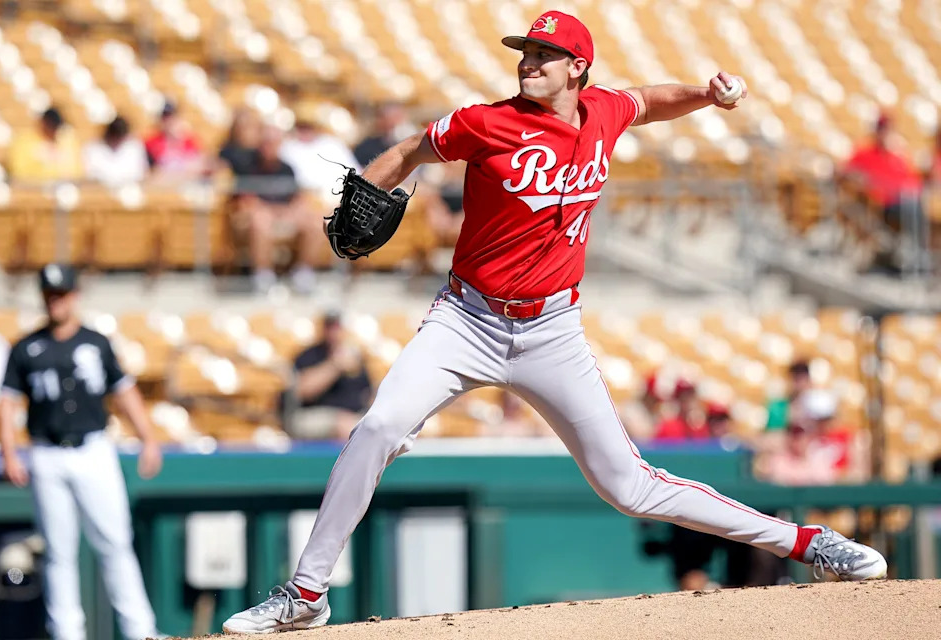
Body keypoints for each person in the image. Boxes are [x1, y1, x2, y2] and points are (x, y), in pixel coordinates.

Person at [223, 11, 887, 634]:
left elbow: (649, 101)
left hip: (551, 330)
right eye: (526, 53)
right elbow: (411, 150)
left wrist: (706, 96)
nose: (529, 63)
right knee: (379, 426)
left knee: (628, 485)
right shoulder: (484, 123)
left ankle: (813, 544)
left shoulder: (604, 110)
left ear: (578, 68)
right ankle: (305, 594)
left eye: (546, 54)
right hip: (466, 319)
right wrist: (362, 198)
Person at [0, 264, 163, 640]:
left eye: (61, 293)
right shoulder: (26, 347)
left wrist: (148, 437)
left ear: (74, 295)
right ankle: (66, 634)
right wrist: (9, 452)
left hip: (93, 449)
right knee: (58, 551)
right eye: (50, 294)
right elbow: (6, 404)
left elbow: (123, 390)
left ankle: (141, 631)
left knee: (116, 543)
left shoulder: (95, 341)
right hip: (47, 452)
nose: (55, 301)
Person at [231, 125, 323, 294]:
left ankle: (303, 273)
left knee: (316, 222)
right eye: (266, 142)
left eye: (273, 142)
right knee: (261, 219)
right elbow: (247, 201)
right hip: (258, 217)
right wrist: (274, 212)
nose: (269, 147)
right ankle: (263, 275)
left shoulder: (287, 169)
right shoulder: (248, 166)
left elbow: (298, 199)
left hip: (283, 214)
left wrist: (290, 213)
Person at [843, 113, 925, 273]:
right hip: (876, 206)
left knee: (917, 206)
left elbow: (912, 181)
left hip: (899, 203)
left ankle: (916, 256)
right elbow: (847, 174)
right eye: (882, 129)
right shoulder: (863, 153)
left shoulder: (897, 156)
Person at [282, 312, 372, 440]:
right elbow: (302, 391)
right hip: (312, 415)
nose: (333, 332)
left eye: (337, 327)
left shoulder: (357, 358)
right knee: (347, 427)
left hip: (353, 415)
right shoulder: (309, 355)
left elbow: (367, 393)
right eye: (329, 327)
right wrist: (335, 365)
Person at [8, 107, 82, 183]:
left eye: (55, 127)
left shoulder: (65, 142)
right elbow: (19, 171)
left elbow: (76, 171)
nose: (53, 130)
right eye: (50, 126)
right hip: (32, 188)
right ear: (44, 123)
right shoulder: (24, 142)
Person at [144, 100, 205, 182]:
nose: (169, 120)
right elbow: (150, 171)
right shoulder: (151, 143)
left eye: (171, 116)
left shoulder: (190, 141)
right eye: (165, 117)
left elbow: (200, 166)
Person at [82, 116, 149, 187]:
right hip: (100, 190)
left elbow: (141, 174)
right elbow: (89, 176)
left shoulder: (134, 147)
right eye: (115, 137)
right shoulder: (93, 148)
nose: (117, 141)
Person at [765, 359, 812, 431]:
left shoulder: (815, 407)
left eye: (802, 379)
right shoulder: (777, 407)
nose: (799, 384)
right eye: (796, 379)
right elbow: (773, 433)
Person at [217, 107, 262, 175]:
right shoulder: (226, 153)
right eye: (243, 127)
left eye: (249, 126)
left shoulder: (261, 154)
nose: (247, 132)